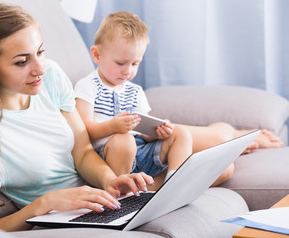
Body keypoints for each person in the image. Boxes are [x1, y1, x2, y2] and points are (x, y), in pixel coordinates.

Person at [0, 3, 153, 231]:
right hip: (62, 224)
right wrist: (44, 204)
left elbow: (82, 152)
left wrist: (110, 181)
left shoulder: (50, 77)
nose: (39, 68)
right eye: (22, 61)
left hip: (100, 202)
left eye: (40, 52)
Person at [75, 11, 284, 189]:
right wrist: (113, 126)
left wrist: (155, 132)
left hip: (140, 152)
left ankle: (174, 182)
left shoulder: (134, 91)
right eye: (121, 63)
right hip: (111, 155)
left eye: (135, 63)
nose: (128, 71)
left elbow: (142, 132)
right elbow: (84, 131)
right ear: (96, 55)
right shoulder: (88, 86)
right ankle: (128, 187)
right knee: (124, 140)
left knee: (180, 133)